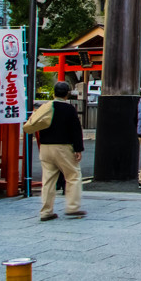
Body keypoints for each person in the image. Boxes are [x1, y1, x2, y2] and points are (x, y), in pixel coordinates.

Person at [37, 81, 86, 221]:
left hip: (45, 147)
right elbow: (76, 129)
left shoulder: (45, 107)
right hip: (63, 147)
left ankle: (46, 211)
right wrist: (78, 148)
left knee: (48, 179)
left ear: (54, 93)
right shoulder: (69, 109)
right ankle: (72, 207)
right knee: (73, 175)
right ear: (67, 94)